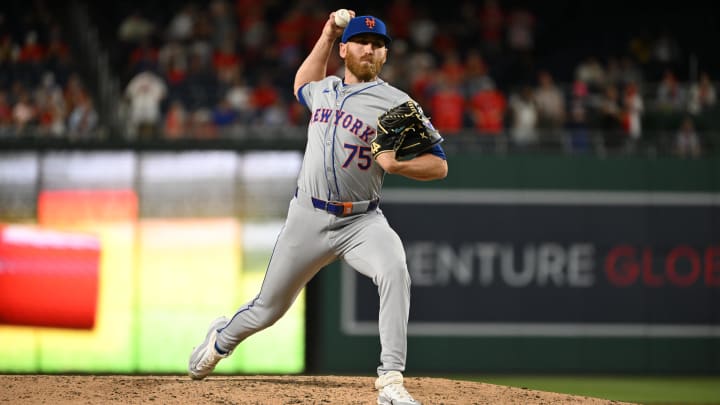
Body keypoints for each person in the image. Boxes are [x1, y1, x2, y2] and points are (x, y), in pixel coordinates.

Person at [187, 11, 448, 405]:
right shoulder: (324, 89)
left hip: (361, 220)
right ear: (345, 49)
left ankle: (391, 380)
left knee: (394, 269)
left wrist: (398, 165)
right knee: (267, 310)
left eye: (379, 46)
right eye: (363, 42)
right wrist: (327, 33)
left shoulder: (397, 104)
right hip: (308, 216)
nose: (371, 50)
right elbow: (301, 85)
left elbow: (440, 165)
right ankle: (220, 341)